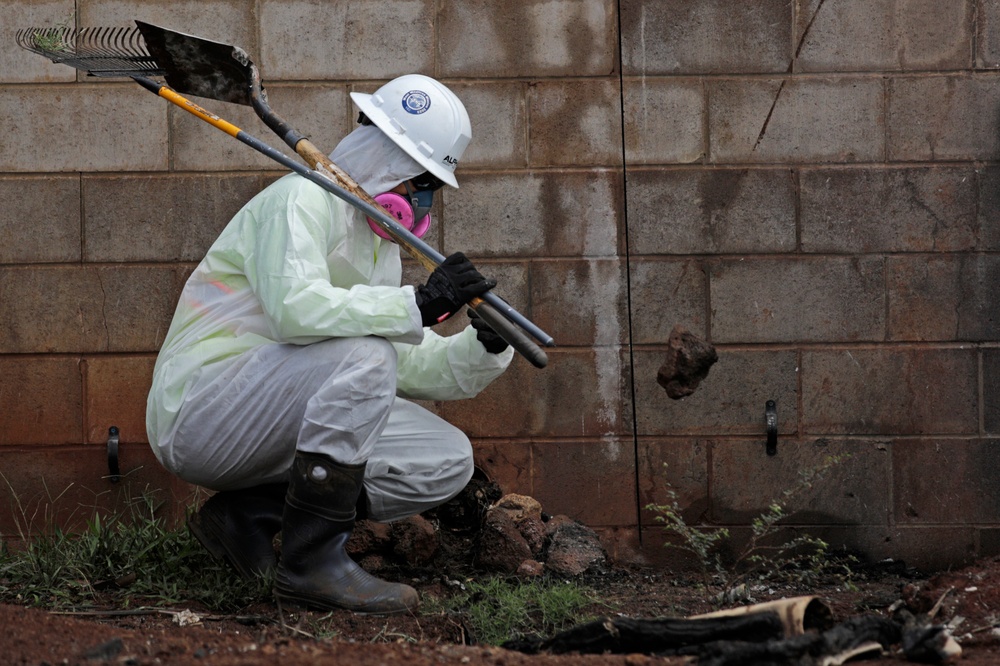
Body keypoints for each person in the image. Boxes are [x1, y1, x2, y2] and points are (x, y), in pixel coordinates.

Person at [145, 74, 514, 615]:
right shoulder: (298, 199)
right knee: (366, 353)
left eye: (432, 186)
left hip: (267, 420)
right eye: (420, 181)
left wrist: (482, 348)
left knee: (444, 458)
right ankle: (312, 566)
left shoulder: (376, 247)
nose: (424, 199)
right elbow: (296, 311)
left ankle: (250, 517)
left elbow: (398, 366)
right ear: (384, 158)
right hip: (203, 413)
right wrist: (417, 305)